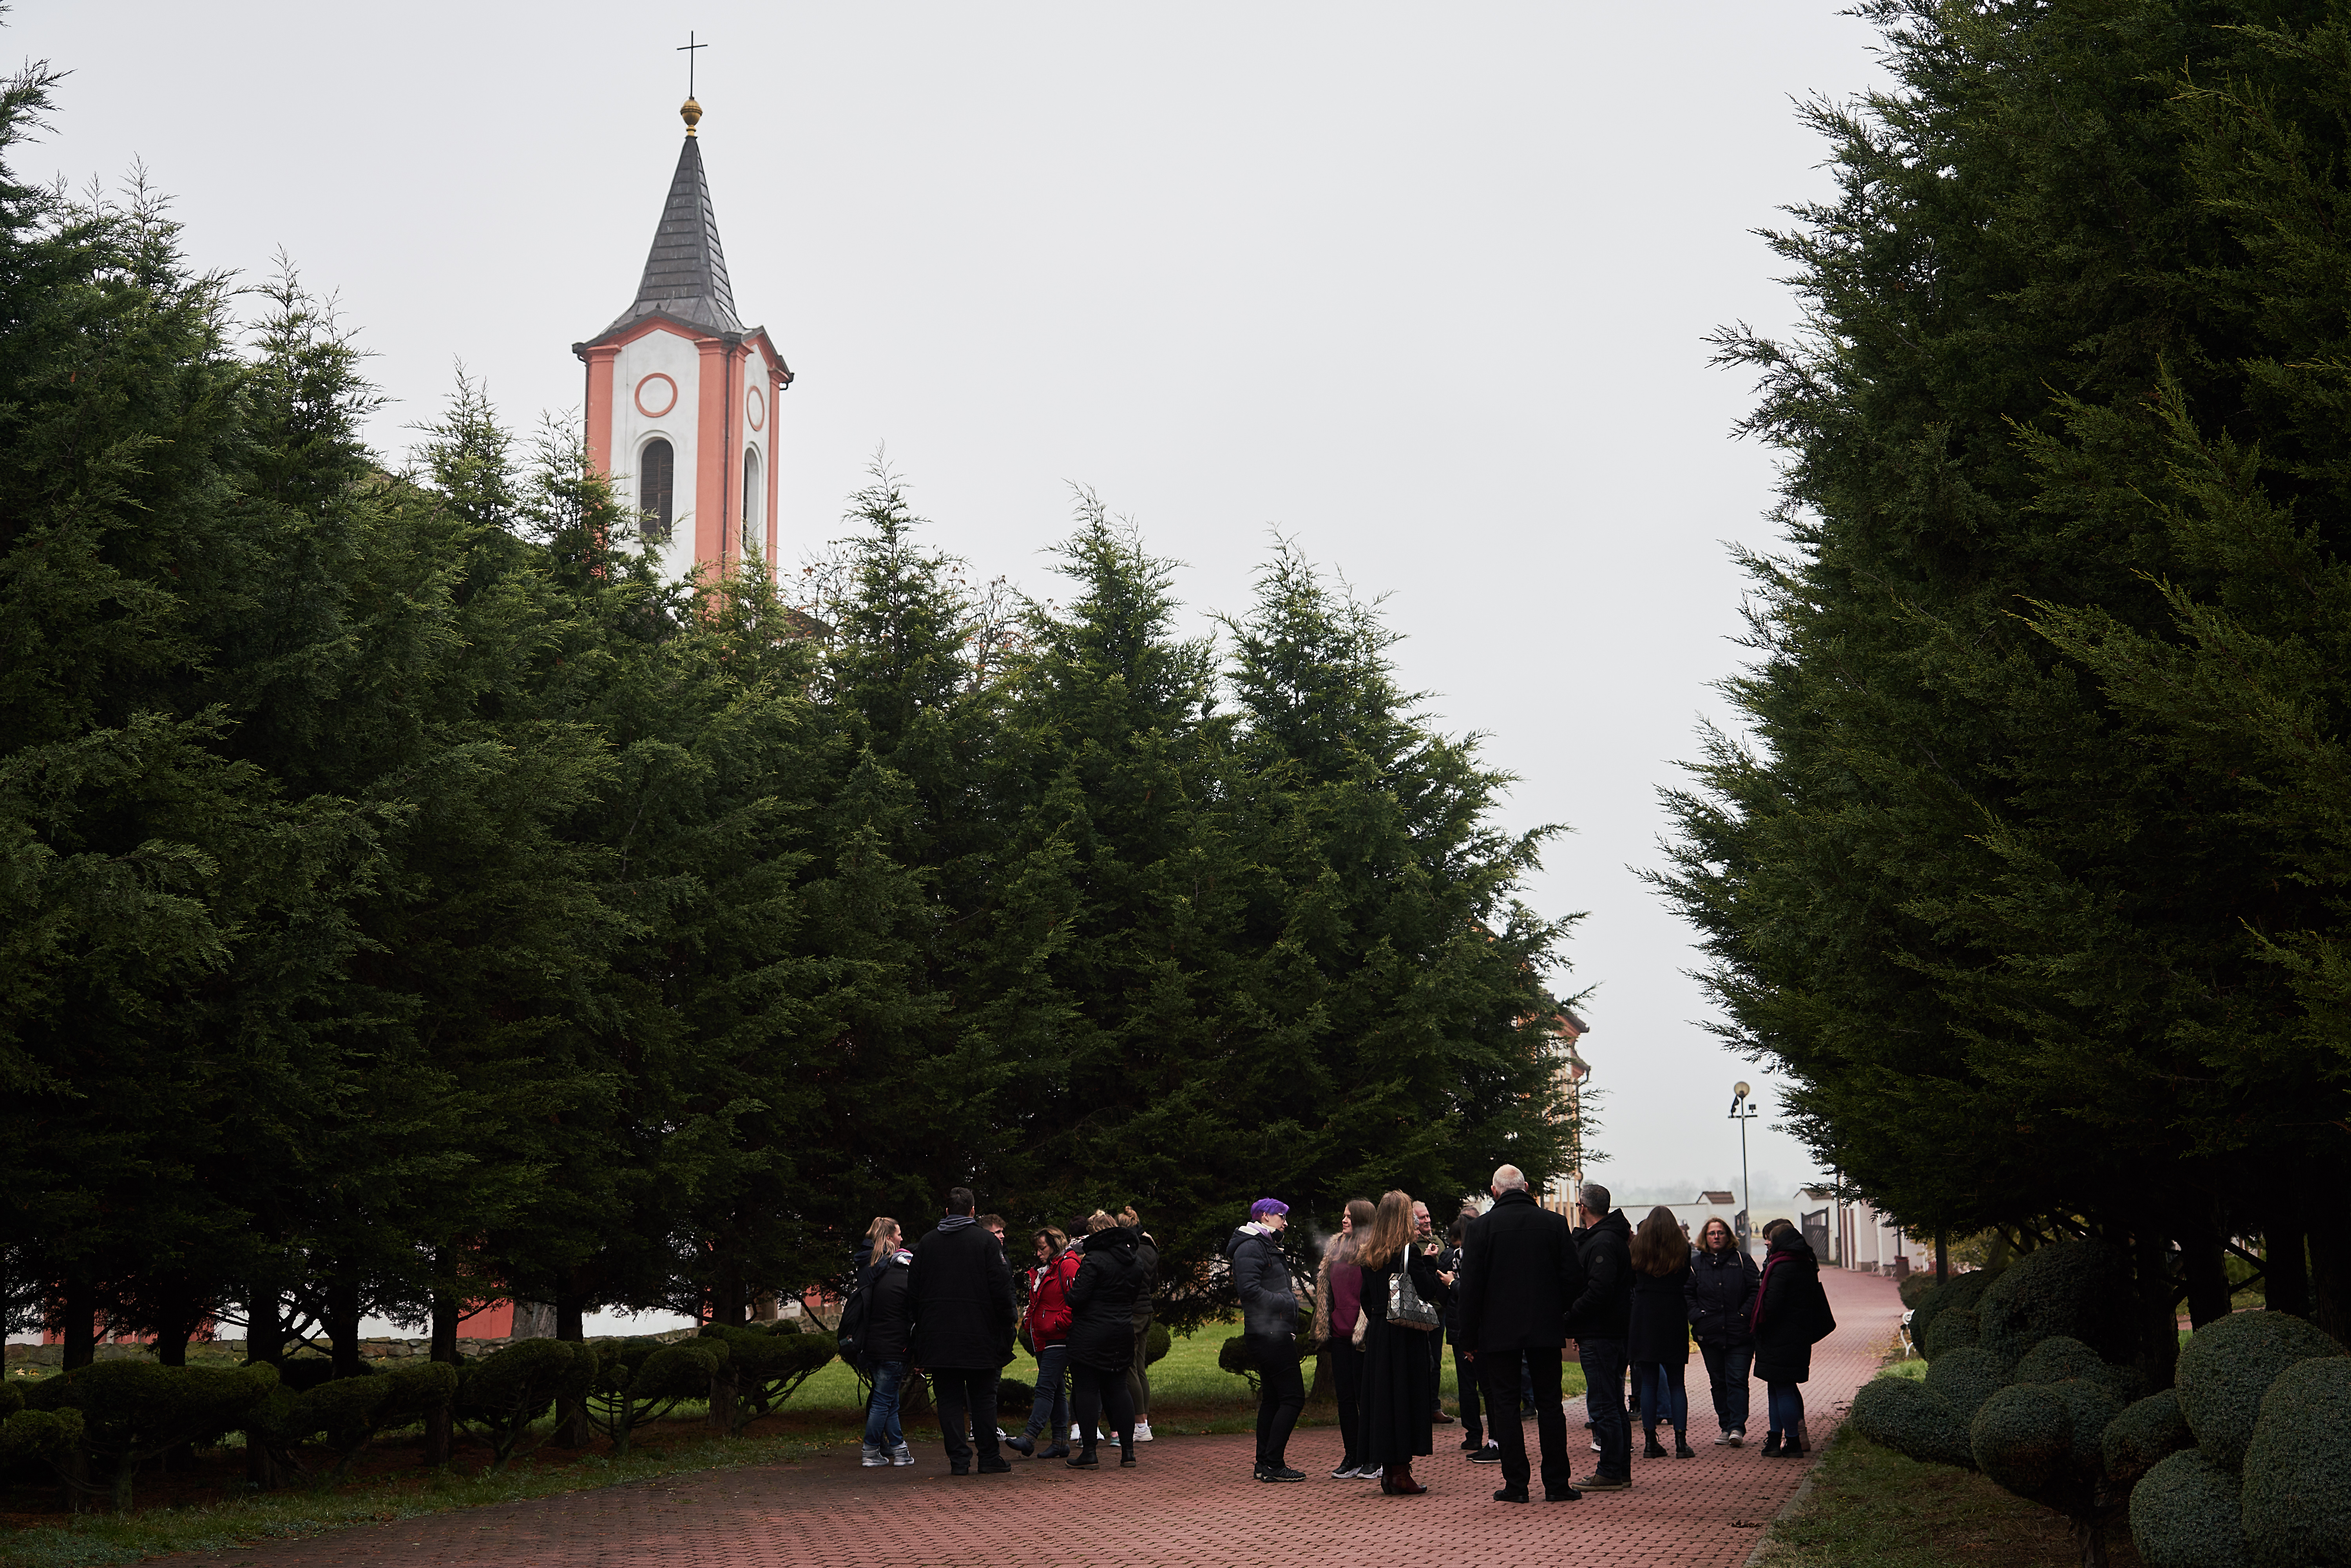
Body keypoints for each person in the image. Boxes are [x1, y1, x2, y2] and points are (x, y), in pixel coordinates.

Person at [1456, 1164, 1582, 1503]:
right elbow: (1573, 1278)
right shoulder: (1555, 1224)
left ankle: (1516, 1485)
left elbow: (1470, 1288)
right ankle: (1557, 1483)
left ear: (1495, 1191)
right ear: (1526, 1187)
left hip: (1498, 1332)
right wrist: (1561, 1316)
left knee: (1506, 1406)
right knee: (1550, 1405)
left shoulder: (1481, 1228)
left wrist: (1467, 1338)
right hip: (1545, 1328)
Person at [906, 1186, 1017, 1476]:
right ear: (972, 1211)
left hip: (939, 1337)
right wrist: (1007, 1325)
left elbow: (913, 1294)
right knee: (983, 1398)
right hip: (980, 1334)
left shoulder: (927, 1244)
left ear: (946, 1211)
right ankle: (989, 1456)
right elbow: (1001, 1290)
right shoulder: (986, 1243)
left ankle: (959, 1460)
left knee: (949, 1400)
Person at [1356, 1189, 1451, 1496]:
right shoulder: (1408, 1252)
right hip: (1404, 1333)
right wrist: (1428, 1265)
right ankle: (1400, 1473)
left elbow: (1366, 1296)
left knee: (1383, 1399)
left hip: (1380, 1332)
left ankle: (1388, 1470)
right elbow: (1426, 1290)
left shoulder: (1371, 1251)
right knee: (1405, 1398)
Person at [1228, 1197, 1308, 1482]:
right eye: (1281, 1217)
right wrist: (1284, 1302)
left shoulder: (1262, 1244)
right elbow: (1249, 1290)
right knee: (1293, 1397)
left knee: (1273, 1399)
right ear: (1264, 1217)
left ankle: (1264, 1464)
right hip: (1269, 1334)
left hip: (1270, 1332)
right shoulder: (1251, 1246)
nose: (1285, 1223)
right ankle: (1273, 1462)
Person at [1565, 1182, 1634, 1492]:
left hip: (1602, 1333)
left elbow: (1599, 1291)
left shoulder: (1603, 1242)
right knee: (1613, 1403)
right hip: (1609, 1331)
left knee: (1604, 1404)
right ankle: (1619, 1469)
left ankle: (1609, 1470)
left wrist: (1569, 1318)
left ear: (1583, 1208)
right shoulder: (1609, 1238)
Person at [1065, 1218, 1148, 1468]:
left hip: (1090, 1332)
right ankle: (1129, 1452)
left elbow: (1077, 1298)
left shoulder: (1094, 1260)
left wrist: (1070, 1293)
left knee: (1087, 1389)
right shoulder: (1136, 1261)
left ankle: (1090, 1451)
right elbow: (1133, 1297)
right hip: (1122, 1330)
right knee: (1118, 1388)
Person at [1751, 1218, 1836, 1456]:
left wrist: (1757, 1315)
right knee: (1780, 1386)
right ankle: (1781, 1439)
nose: (1767, 1243)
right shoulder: (1805, 1262)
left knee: (1782, 1388)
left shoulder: (1782, 1266)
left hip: (1778, 1336)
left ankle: (1790, 1441)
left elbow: (1771, 1304)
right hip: (1797, 1334)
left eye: (1770, 1239)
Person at [1311, 1198, 1377, 1478]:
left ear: (1362, 1219)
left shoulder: (1374, 1249)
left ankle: (1373, 1457)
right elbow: (1326, 1289)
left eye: (1349, 1216)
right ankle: (1351, 1455)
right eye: (1343, 1215)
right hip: (1338, 1332)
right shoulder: (1335, 1246)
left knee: (1367, 1398)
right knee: (1346, 1399)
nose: (1344, 1220)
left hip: (1364, 1335)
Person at [1628, 1206, 1696, 1460]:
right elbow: (1685, 1280)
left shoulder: (1637, 1249)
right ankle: (1681, 1441)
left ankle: (1649, 1441)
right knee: (1678, 1382)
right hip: (1673, 1315)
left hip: (1644, 1315)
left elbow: (1632, 1279)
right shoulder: (1683, 1249)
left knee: (1648, 1382)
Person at [1687, 1215, 1758, 1446]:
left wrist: (1743, 1314)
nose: (1716, 1237)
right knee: (1718, 1381)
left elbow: (1755, 1291)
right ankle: (1725, 1426)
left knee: (1737, 1379)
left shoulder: (1742, 1260)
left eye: (1720, 1233)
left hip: (1740, 1333)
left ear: (1728, 1236)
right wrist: (1699, 1317)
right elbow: (1687, 1295)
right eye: (1711, 1233)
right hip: (1710, 1333)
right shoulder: (1695, 1264)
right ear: (1705, 1238)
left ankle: (1738, 1426)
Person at [1007, 1226, 1074, 1458]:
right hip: (1046, 1337)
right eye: (1037, 1249)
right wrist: (1031, 1322)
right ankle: (1060, 1441)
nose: (1038, 1253)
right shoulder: (1048, 1269)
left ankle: (1030, 1437)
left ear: (1055, 1245)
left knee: (1045, 1387)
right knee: (1055, 1390)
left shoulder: (1067, 1265)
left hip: (1058, 1338)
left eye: (1042, 1248)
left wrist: (1058, 1324)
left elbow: (1075, 1300)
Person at [856, 1218, 916, 1468]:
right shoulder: (900, 1275)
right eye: (899, 1235)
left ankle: (900, 1450)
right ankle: (870, 1450)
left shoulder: (871, 1271)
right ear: (890, 1239)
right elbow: (909, 1314)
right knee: (883, 1400)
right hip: (894, 1346)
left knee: (889, 1400)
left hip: (872, 1344)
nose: (902, 1238)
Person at [1440, 1216, 1491, 1459]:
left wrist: (1451, 1283)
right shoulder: (1482, 1254)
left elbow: (1464, 1293)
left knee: (1469, 1385)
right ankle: (1494, 1438)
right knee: (1487, 1386)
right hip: (1477, 1328)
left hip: (1461, 1326)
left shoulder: (1454, 1257)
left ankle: (1474, 1436)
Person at [1411, 1199, 1454, 1427]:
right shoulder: (1411, 1245)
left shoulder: (1438, 1242)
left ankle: (1434, 1407)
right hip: (1419, 1312)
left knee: (1435, 1362)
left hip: (1439, 1311)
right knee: (1420, 1362)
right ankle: (1418, 1408)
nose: (1427, 1220)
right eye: (1422, 1217)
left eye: (1428, 1216)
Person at [1120, 1207, 1158, 1443]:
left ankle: (1140, 1424)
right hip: (1148, 1310)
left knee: (1129, 1368)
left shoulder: (1130, 1249)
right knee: (1140, 1366)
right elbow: (1153, 1283)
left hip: (1133, 1311)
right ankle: (1144, 1422)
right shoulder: (1150, 1247)